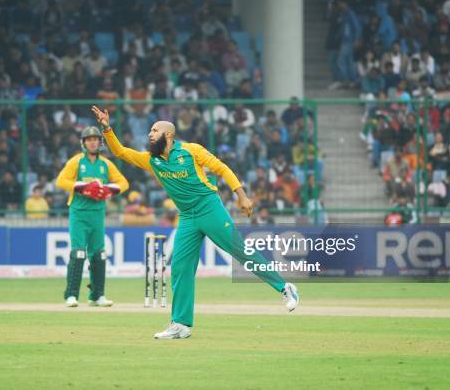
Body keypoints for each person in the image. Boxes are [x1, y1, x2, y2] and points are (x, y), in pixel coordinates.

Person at [91, 106, 299, 340]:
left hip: (209, 207)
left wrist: (241, 194)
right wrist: (107, 128)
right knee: (180, 268)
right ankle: (180, 325)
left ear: (168, 135)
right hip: (187, 216)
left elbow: (221, 168)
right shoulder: (152, 161)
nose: (150, 134)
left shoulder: (191, 151)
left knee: (240, 252)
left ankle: (284, 288)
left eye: (154, 130)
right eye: (149, 130)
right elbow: (120, 152)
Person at [56, 126, 129, 308]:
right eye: (89, 139)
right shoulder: (76, 162)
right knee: (79, 252)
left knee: (99, 254)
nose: (93, 142)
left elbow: (124, 183)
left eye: (96, 139)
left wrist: (108, 190)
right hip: (79, 213)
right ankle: (71, 295)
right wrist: (83, 187)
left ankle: (97, 296)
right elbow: (61, 181)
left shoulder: (105, 164)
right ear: (83, 143)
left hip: (98, 214)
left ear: (100, 142)